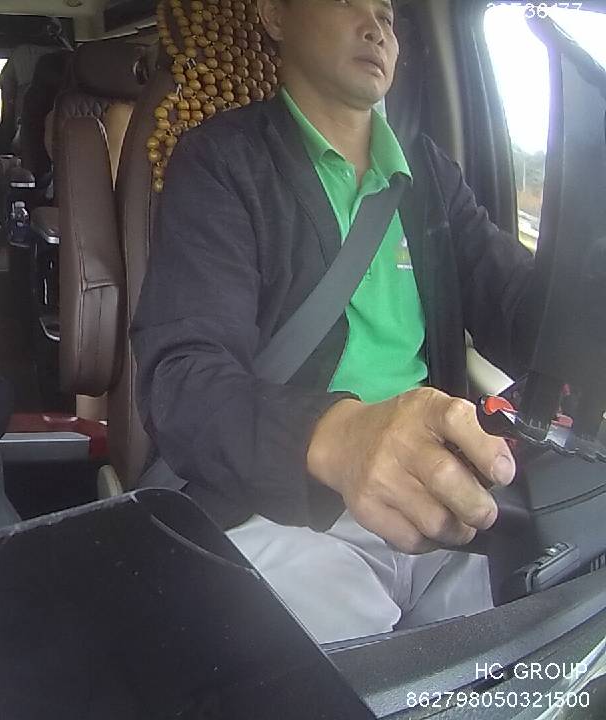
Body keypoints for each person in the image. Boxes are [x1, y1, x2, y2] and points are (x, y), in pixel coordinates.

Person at [132, 0, 540, 644]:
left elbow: (516, 301)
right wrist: (341, 437)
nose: (376, 26)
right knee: (349, 675)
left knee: (523, 642)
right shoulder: (221, 161)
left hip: (438, 494)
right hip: (277, 511)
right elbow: (182, 380)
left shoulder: (427, 172)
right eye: (348, 0)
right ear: (274, 15)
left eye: (387, 14)